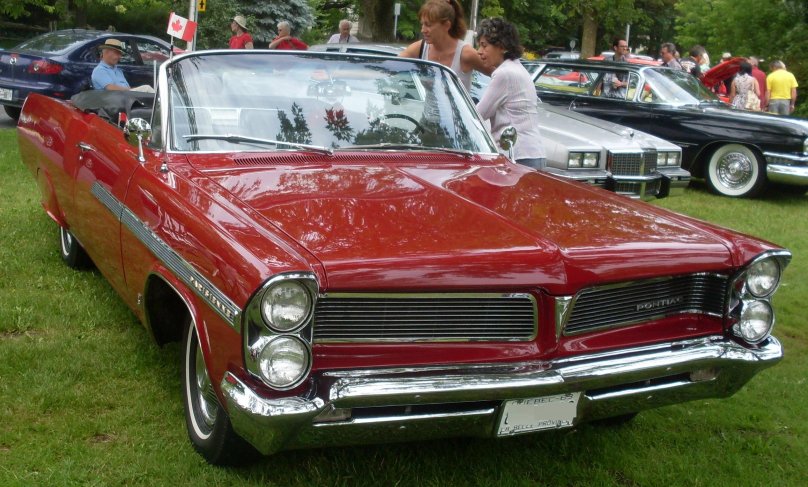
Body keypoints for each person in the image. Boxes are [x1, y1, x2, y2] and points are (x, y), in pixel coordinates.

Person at [475, 18, 546, 170]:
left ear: (502, 47)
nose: (479, 51)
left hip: (518, 155)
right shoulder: (516, 68)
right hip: (532, 152)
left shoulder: (504, 73)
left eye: (484, 45)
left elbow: (478, 115)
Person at [399, 0, 492, 91]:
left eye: (428, 25)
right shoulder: (420, 48)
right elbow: (390, 68)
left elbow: (502, 75)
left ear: (447, 25)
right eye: (422, 24)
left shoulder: (465, 53)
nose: (423, 30)